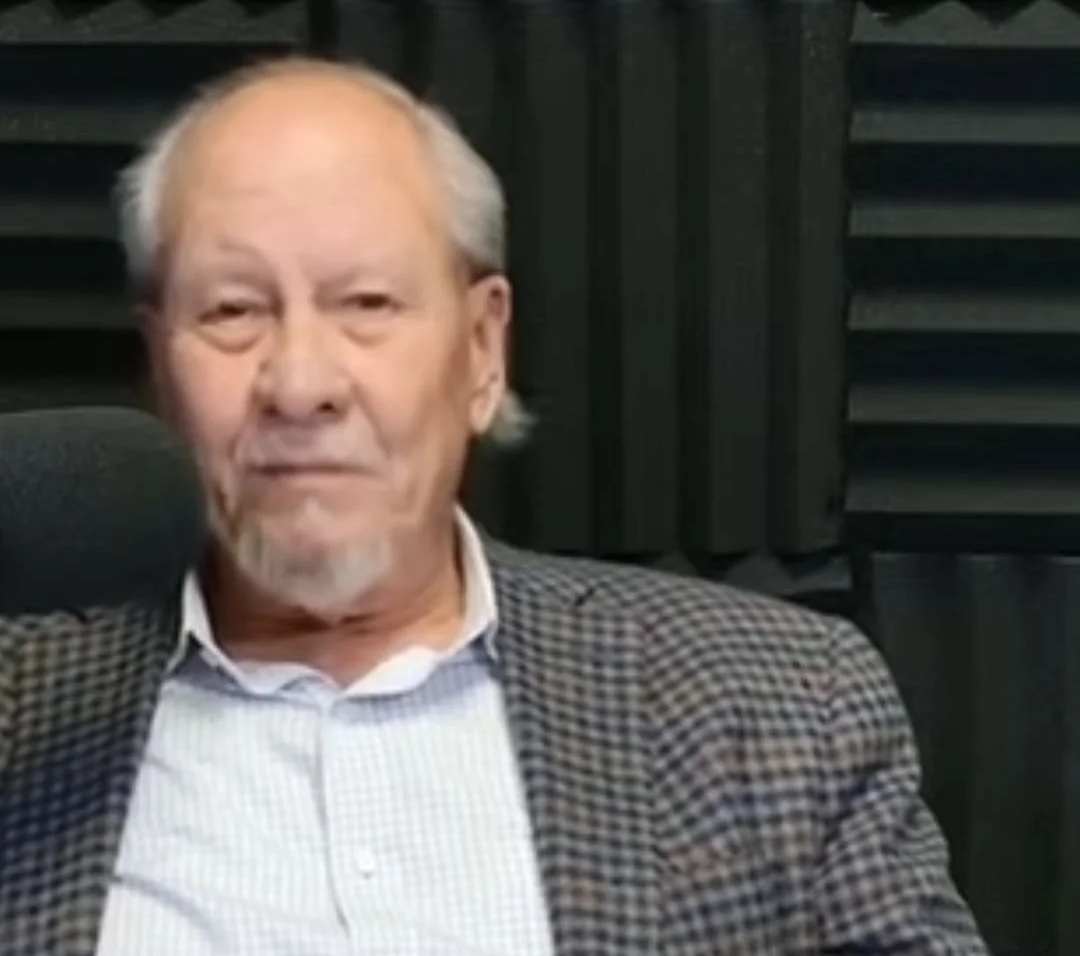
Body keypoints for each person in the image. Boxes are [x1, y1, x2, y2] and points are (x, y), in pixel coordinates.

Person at [0, 56, 988, 955]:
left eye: (368, 303)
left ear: (482, 351)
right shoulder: (22, 709)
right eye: (231, 310)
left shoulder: (778, 711)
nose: (299, 383)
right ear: (159, 369)